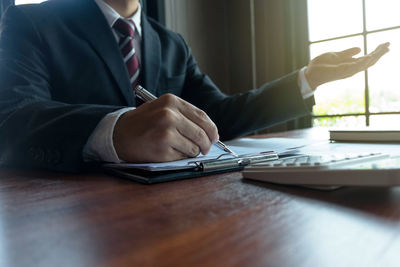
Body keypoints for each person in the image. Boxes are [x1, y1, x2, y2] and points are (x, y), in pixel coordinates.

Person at [0, 0, 389, 172]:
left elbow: (219, 117)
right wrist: (114, 131)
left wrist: (308, 79)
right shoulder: (31, 22)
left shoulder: (171, 43)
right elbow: (12, 119)